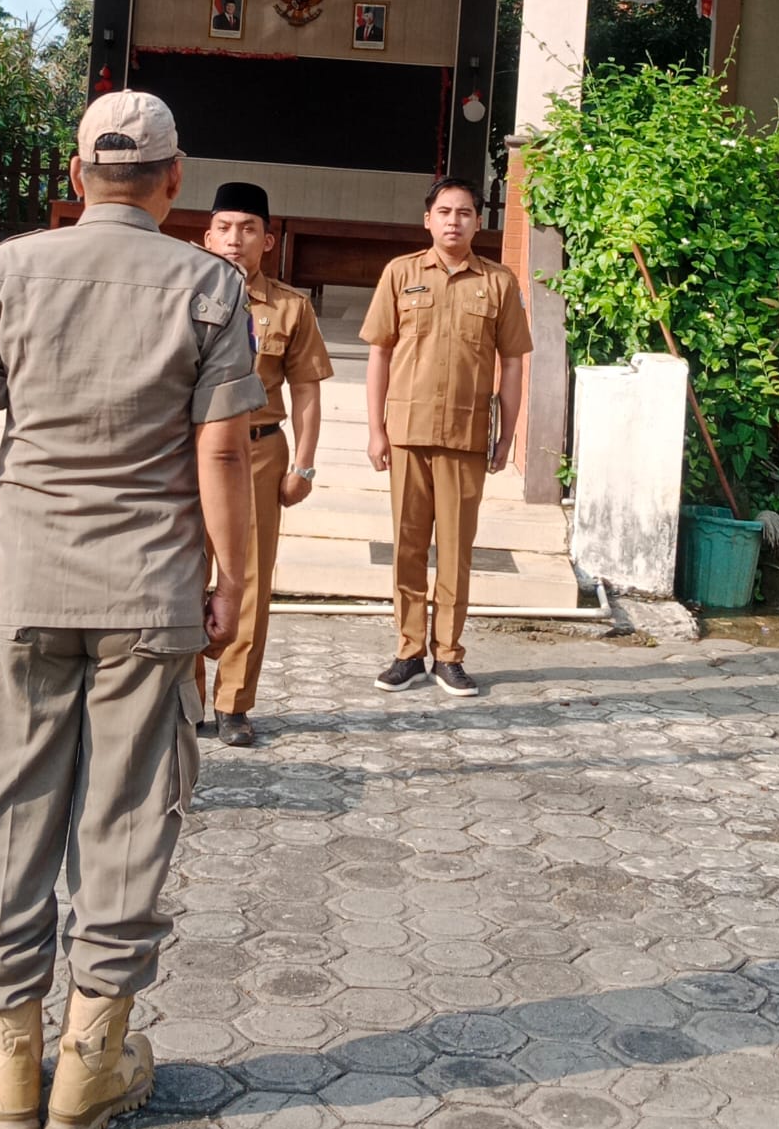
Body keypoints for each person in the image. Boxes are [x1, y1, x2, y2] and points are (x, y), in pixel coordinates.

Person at [0, 90, 265, 1129]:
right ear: (174, 181)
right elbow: (222, 450)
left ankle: (6, 1056)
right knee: (126, 816)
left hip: (28, 582)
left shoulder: (7, 271)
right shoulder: (209, 285)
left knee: (12, 805)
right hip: (149, 592)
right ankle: (90, 1062)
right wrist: (234, 577)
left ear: (77, 175)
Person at [360, 176, 533, 697]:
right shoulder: (401, 273)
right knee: (408, 547)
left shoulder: (498, 282)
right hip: (407, 432)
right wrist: (375, 429)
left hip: (465, 434)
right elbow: (380, 352)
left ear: (478, 222)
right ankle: (408, 651)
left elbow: (512, 362)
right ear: (427, 220)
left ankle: (449, 655)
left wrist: (506, 436)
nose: (453, 221)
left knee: (456, 551)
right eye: (444, 211)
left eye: (464, 213)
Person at [198, 181, 333, 745]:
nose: (235, 239)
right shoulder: (179, 294)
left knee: (248, 577)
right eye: (225, 228)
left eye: (248, 229)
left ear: (268, 240)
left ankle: (233, 703)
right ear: (207, 236)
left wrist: (303, 465)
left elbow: (306, 390)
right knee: (182, 570)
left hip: (256, 450)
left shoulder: (289, 307)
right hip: (190, 449)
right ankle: (184, 698)